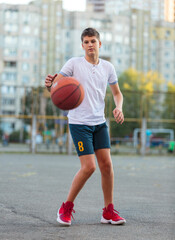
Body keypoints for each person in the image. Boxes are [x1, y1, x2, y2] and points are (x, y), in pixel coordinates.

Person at [45, 28, 126, 226]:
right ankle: (65, 207)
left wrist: (118, 107)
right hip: (79, 123)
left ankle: (108, 211)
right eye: (86, 42)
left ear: (100, 44)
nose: (90, 44)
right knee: (89, 167)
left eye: (93, 41)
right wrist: (49, 85)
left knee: (106, 166)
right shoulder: (73, 63)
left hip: (99, 123)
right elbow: (57, 84)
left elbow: (117, 93)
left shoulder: (108, 67)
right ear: (82, 45)